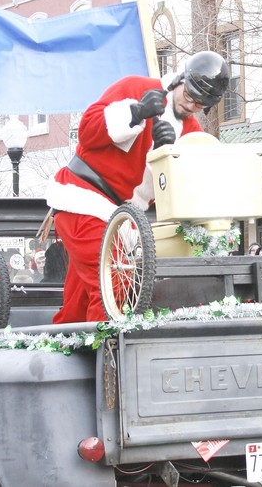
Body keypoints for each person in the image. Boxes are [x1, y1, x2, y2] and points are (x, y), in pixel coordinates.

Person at [46, 50, 230, 323]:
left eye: (200, 104)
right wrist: (135, 112)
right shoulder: (136, 87)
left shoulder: (191, 135)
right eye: (190, 96)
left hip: (122, 220)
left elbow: (176, 195)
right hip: (83, 198)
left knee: (80, 301)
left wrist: (165, 154)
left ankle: (64, 353)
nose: (192, 106)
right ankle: (108, 361)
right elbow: (86, 132)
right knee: (115, 287)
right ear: (181, 79)